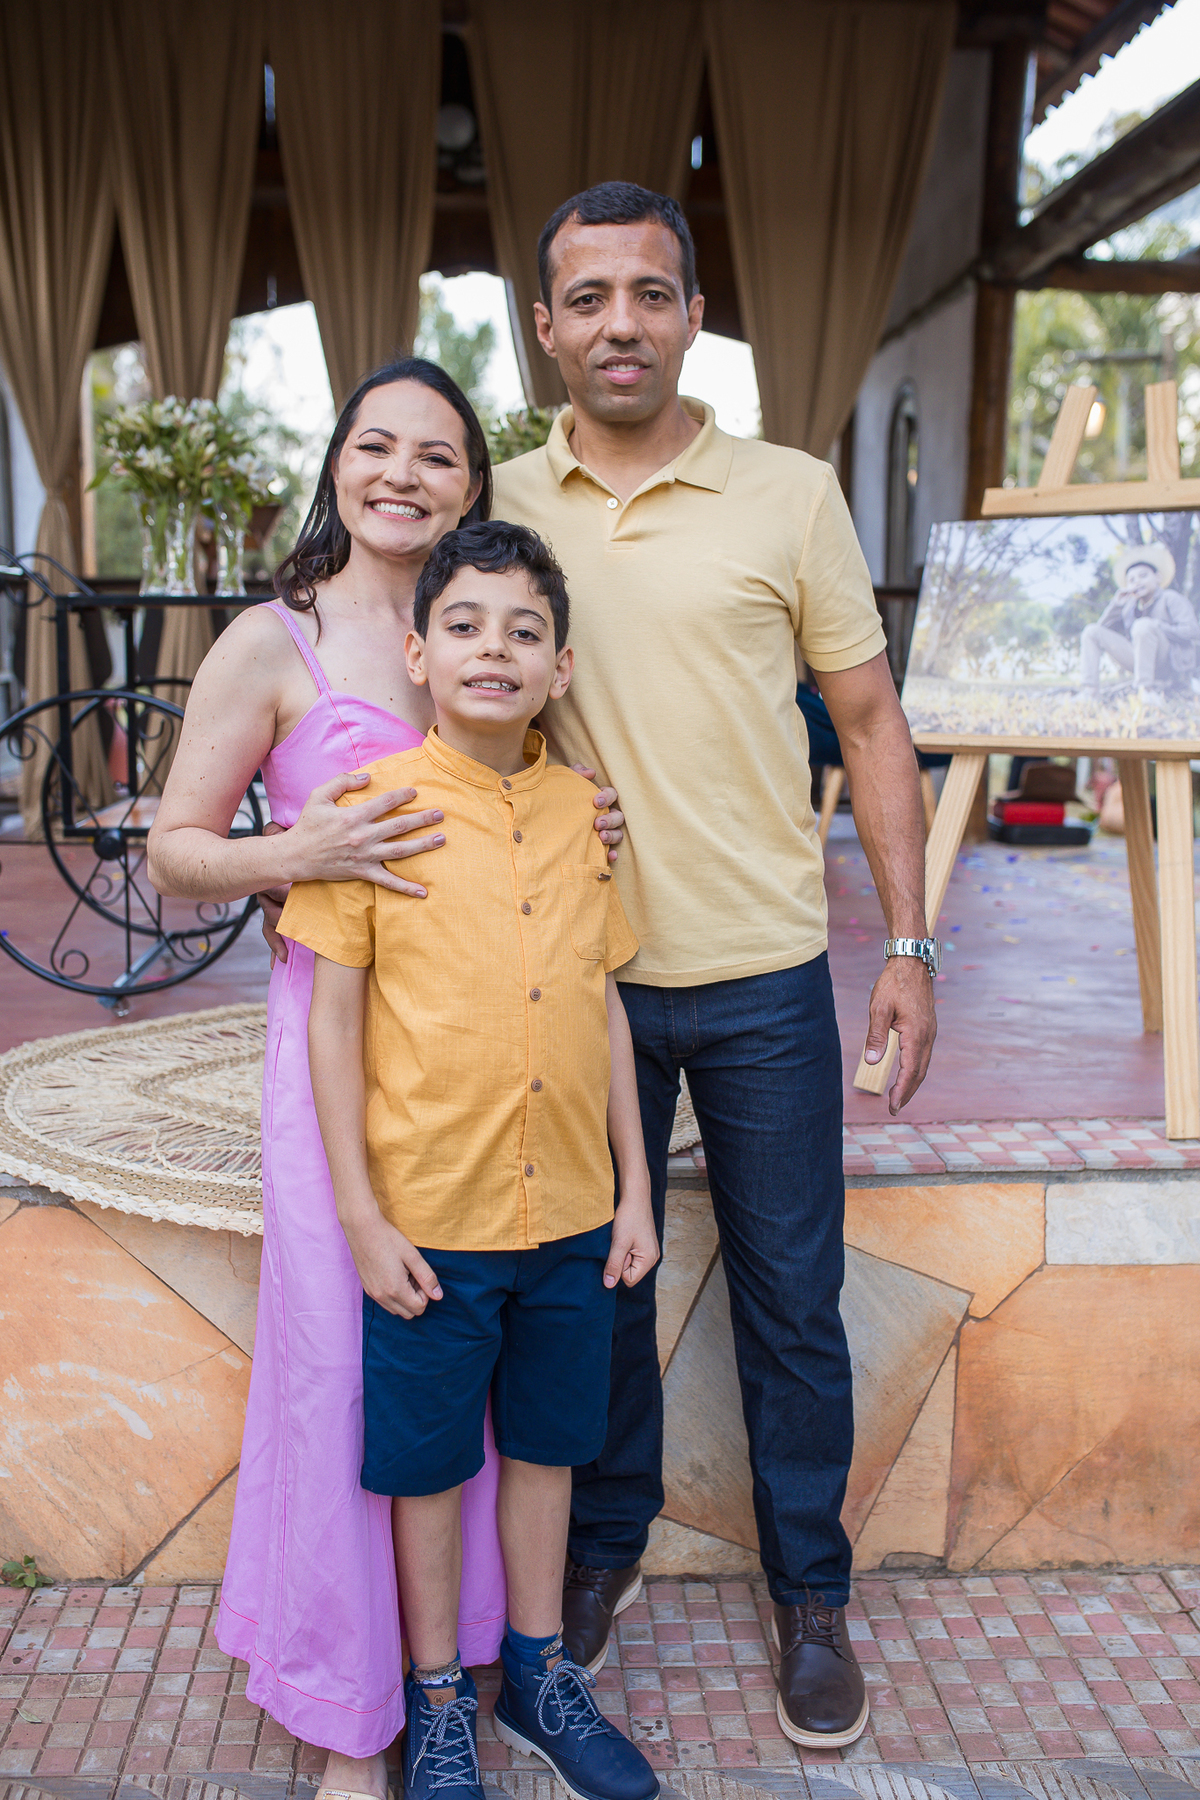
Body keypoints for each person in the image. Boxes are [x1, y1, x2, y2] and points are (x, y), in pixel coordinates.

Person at [491, 181, 938, 1750]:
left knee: (791, 1299)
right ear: (545, 327)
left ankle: (810, 1594)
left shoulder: (790, 494)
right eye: (588, 297)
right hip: (576, 978)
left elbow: (873, 724)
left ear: (694, 316)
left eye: (650, 294)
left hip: (761, 975)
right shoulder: (501, 500)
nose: (621, 323)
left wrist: (911, 945)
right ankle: (598, 1555)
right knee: (594, 1293)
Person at [146, 361, 622, 1800]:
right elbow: (174, 849)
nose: (403, 475)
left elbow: (540, 804)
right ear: (338, 464)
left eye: (437, 455)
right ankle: (351, 1708)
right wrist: (301, 852)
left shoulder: (483, 625)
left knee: (478, 1384)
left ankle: (474, 1666)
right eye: (376, 447)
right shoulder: (272, 640)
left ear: (474, 484)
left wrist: (585, 813)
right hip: (336, 1041)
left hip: (485, 1061)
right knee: (349, 1368)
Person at [278, 521, 660, 1800]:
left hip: (573, 1215)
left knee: (550, 1447)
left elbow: (603, 1002)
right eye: (465, 625)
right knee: (430, 1465)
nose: (494, 648)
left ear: (560, 668)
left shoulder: (583, 814)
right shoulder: (370, 812)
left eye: (524, 630)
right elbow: (333, 1024)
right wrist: (362, 1216)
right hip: (432, 1221)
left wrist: (636, 1192)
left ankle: (540, 1674)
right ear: (417, 654)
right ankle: (438, 1695)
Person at [1080, 542, 1198, 700]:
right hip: (1139, 660)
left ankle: (1145, 691)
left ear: (1157, 577)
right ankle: (1090, 692)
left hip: (1170, 662)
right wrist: (1116, 604)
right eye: (1131, 580)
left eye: (1143, 576)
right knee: (1091, 631)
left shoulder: (1170, 598)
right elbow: (1100, 631)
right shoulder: (1129, 608)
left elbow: (1192, 631)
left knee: (1143, 625)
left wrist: (1158, 626)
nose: (1137, 582)